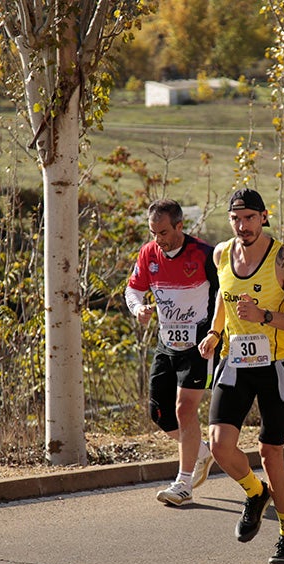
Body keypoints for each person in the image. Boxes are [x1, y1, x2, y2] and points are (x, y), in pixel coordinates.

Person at [198, 188, 284, 564]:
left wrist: (264, 316)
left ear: (264, 216)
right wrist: (215, 333)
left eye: (249, 218)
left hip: (274, 367)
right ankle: (254, 492)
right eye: (236, 219)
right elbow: (223, 298)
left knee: (270, 454)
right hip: (234, 363)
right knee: (219, 445)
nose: (242, 225)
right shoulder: (221, 254)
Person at [125, 198, 218, 506]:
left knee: (184, 410)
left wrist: (218, 333)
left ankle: (184, 483)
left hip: (199, 344)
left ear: (180, 226)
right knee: (160, 413)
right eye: (153, 232)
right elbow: (133, 288)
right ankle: (201, 452)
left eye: (163, 232)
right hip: (167, 342)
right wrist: (138, 308)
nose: (158, 239)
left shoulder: (204, 255)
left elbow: (224, 295)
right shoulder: (149, 253)